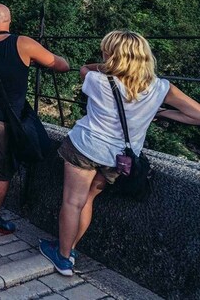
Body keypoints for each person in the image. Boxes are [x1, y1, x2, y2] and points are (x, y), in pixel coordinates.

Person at [40, 30, 200, 275]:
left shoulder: (96, 79)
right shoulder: (161, 88)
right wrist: (162, 112)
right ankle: (69, 249)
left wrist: (106, 64)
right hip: (119, 158)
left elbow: (84, 68)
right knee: (88, 201)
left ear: (111, 55)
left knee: (73, 202)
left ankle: (62, 257)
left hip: (86, 147)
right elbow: (196, 115)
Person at [0, 3, 70, 234]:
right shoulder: (23, 43)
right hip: (1, 121)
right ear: (8, 21)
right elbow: (62, 65)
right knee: (2, 170)